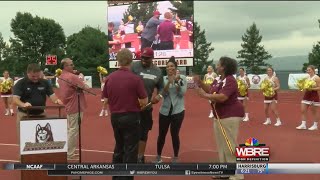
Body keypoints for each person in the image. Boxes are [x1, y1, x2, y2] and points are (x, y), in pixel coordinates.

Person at [193, 57, 244, 180]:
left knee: (230, 144)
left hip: (230, 115)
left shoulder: (230, 80)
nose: (216, 65)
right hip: (220, 115)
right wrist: (200, 83)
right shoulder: (218, 79)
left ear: (224, 67)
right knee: (222, 145)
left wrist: (204, 95)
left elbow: (222, 97)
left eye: (219, 63)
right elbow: (211, 89)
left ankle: (237, 175)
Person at [103, 48, 148, 180]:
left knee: (119, 146)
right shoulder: (135, 79)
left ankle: (116, 176)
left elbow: (105, 99)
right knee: (131, 149)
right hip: (131, 116)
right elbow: (144, 101)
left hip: (115, 116)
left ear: (118, 61)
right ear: (131, 61)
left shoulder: (110, 78)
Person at [12, 63, 63, 158]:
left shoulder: (45, 82)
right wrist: (23, 104)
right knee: (24, 138)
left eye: (38, 76)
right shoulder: (21, 83)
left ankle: (40, 156)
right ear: (28, 73)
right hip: (24, 115)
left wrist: (57, 100)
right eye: (33, 76)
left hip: (41, 114)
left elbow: (52, 96)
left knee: (42, 139)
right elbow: (15, 99)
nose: (36, 78)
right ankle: (23, 158)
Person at [131, 47, 164, 163]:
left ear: (152, 58)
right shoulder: (134, 66)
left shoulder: (158, 71)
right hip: (132, 107)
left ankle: (140, 157)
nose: (144, 60)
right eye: (143, 58)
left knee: (143, 133)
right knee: (131, 132)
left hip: (146, 107)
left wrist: (159, 96)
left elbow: (161, 88)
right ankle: (130, 156)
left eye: (147, 58)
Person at [154, 56, 187, 163]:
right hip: (164, 111)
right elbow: (163, 93)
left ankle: (176, 157)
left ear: (176, 67)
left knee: (174, 134)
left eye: (172, 66)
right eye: (168, 66)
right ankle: (158, 157)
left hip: (178, 111)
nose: (170, 68)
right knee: (161, 135)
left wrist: (176, 82)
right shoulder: (163, 79)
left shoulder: (182, 78)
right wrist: (169, 82)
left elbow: (182, 93)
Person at [58, 58, 90, 161]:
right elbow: (86, 88)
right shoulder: (72, 77)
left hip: (68, 105)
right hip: (75, 106)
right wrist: (81, 78)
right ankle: (69, 154)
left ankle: (69, 151)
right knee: (73, 131)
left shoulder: (61, 76)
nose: (73, 66)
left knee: (70, 129)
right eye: (71, 65)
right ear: (65, 67)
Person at [296, 65, 320, 130]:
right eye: (307, 70)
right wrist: (302, 87)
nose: (308, 71)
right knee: (303, 110)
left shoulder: (317, 78)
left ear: (313, 70)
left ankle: (315, 125)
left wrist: (311, 88)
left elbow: (319, 87)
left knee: (314, 111)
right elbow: (305, 86)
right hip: (307, 95)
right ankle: (303, 125)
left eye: (309, 70)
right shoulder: (307, 77)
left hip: (314, 96)